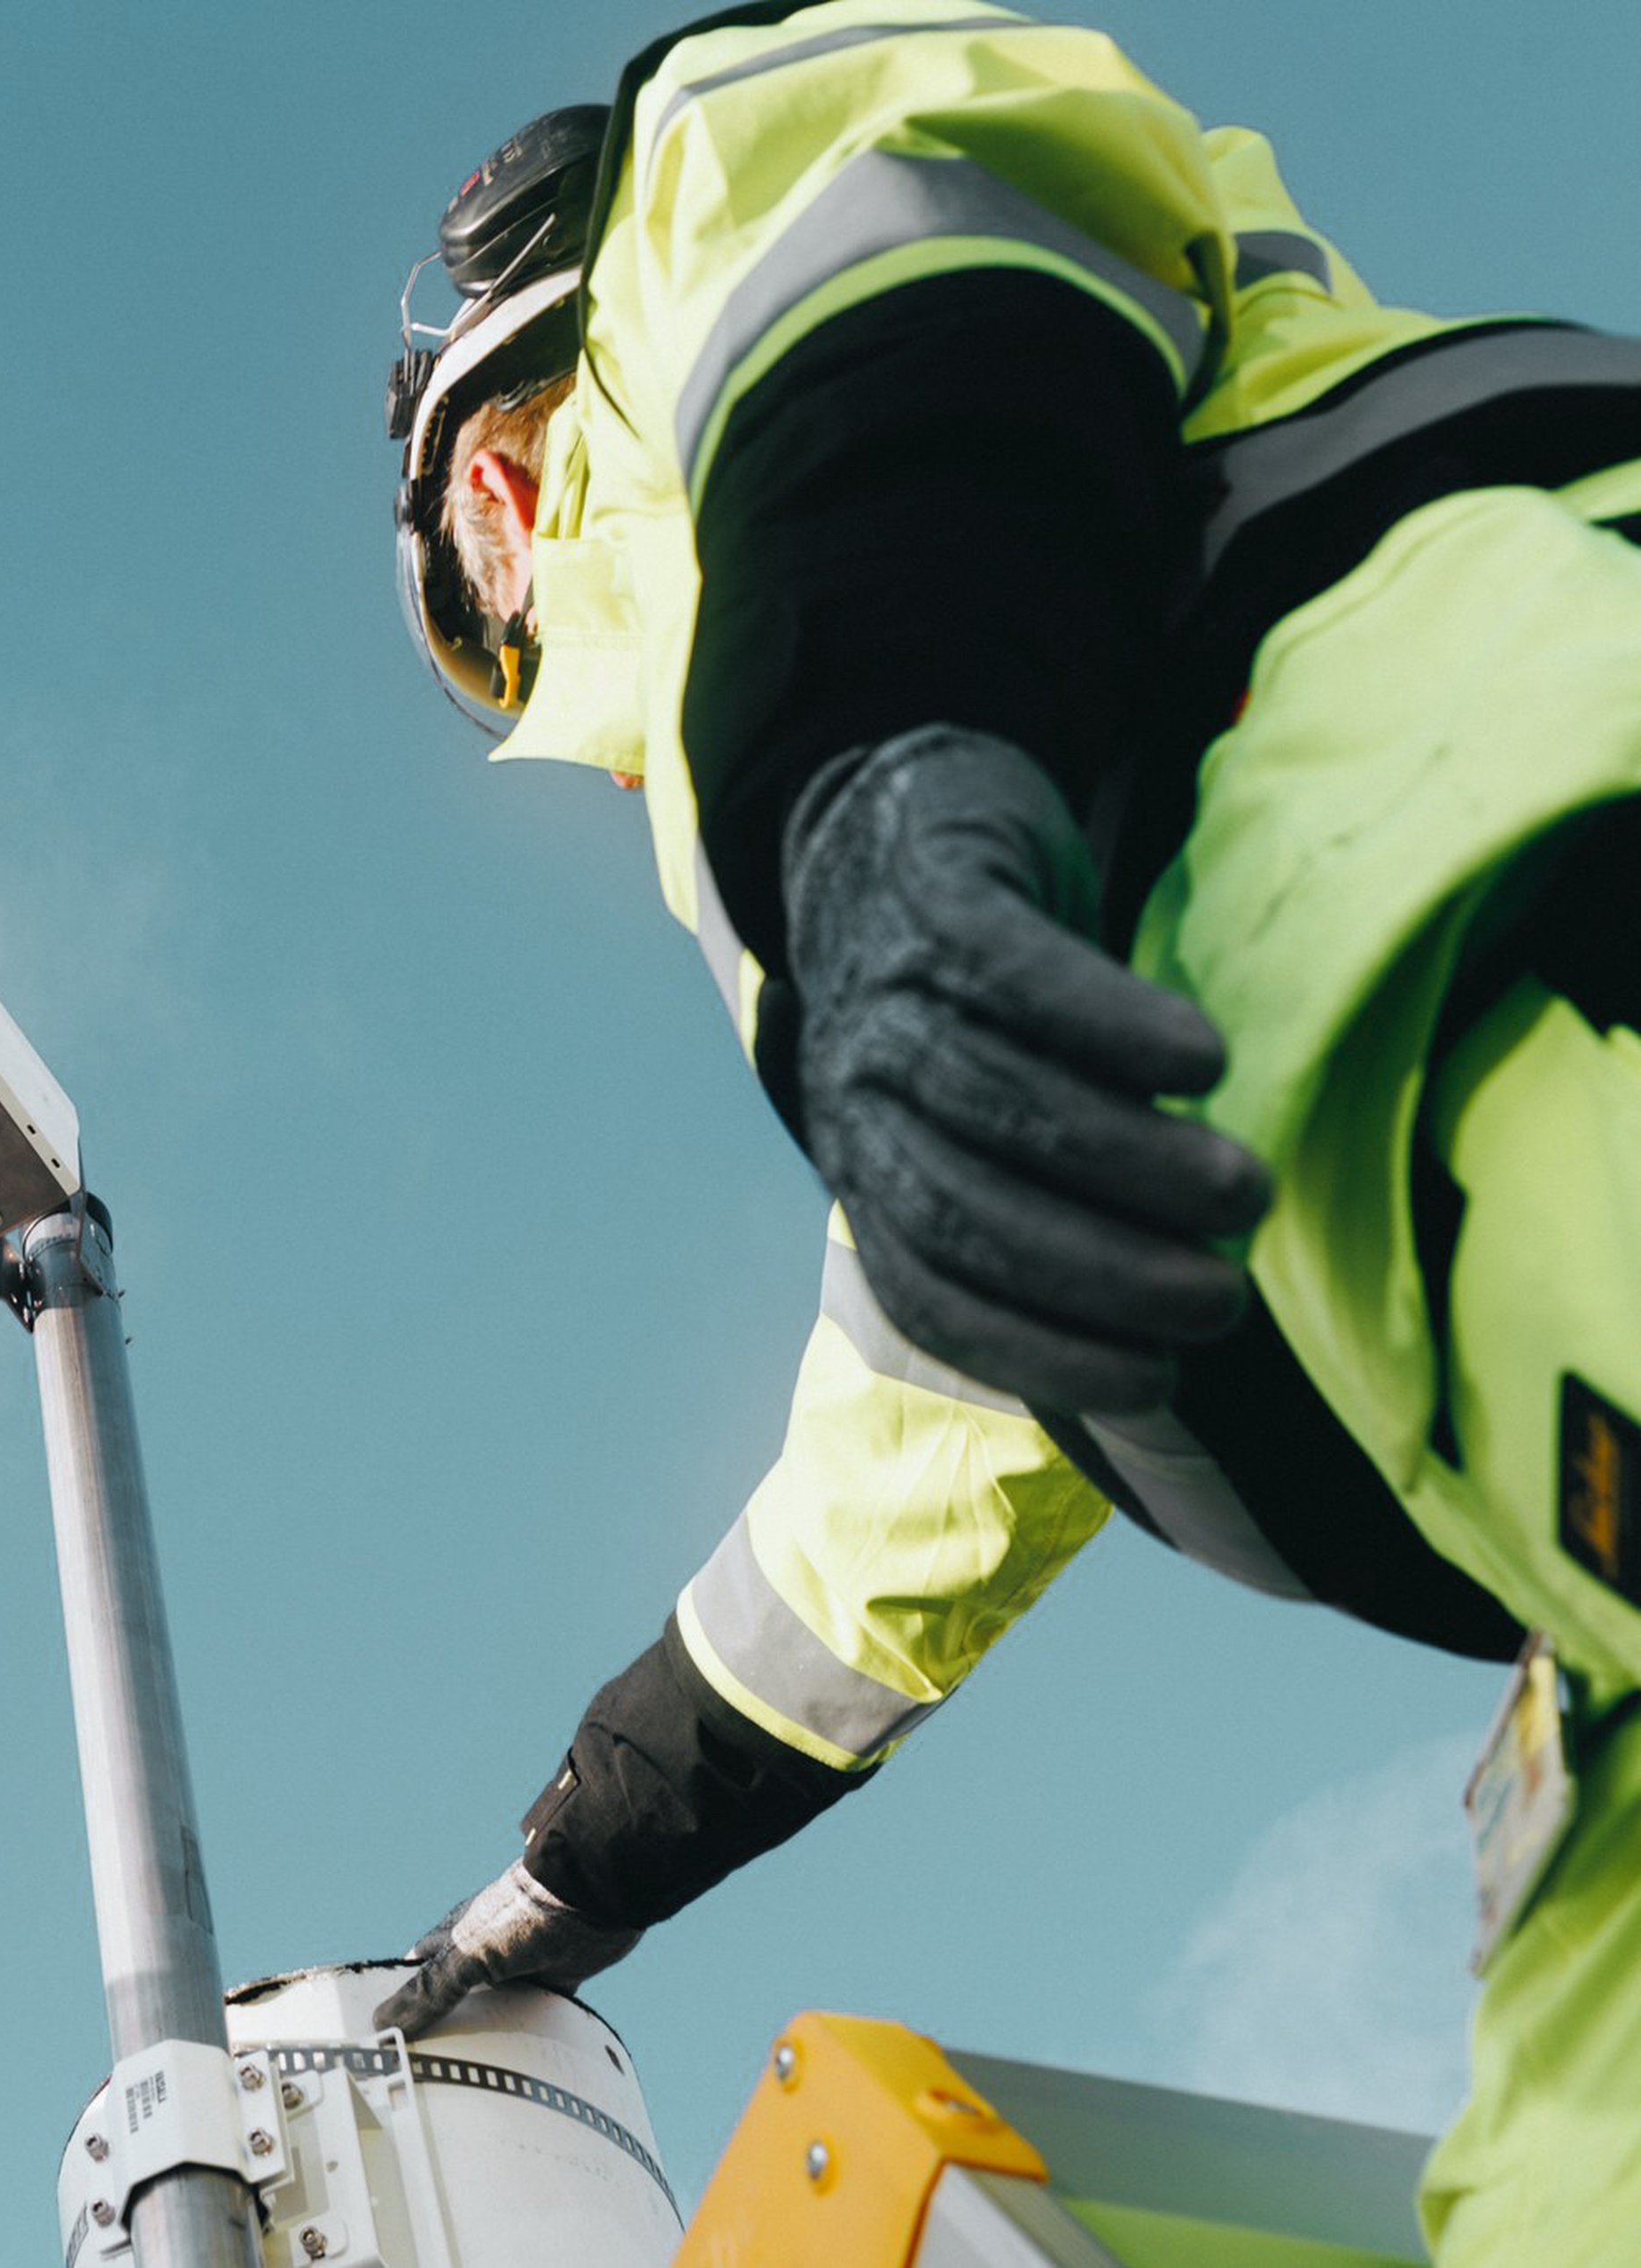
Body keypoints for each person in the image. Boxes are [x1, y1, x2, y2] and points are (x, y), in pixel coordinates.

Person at [370, 12, 1641, 2260]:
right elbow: (925, 1436)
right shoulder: (1009, 927)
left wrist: (861, 755)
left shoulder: (724, 210)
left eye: (497, 654)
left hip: (1554, 901)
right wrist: (591, 1843)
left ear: (495, 496)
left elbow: (902, 263)